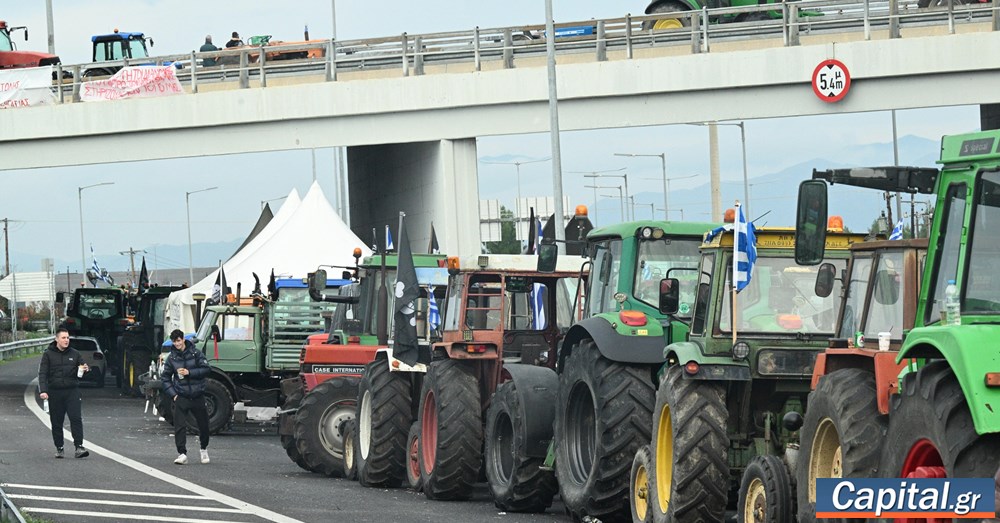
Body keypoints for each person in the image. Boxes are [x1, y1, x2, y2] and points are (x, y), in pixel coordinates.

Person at [161, 329, 211, 465]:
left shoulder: (196, 353)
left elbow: (207, 369)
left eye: (178, 341)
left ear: (183, 339)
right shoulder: (171, 358)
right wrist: (174, 395)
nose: (177, 344)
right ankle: (182, 453)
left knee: (204, 425)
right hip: (181, 396)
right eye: (174, 341)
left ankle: (203, 448)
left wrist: (189, 372)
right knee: (179, 426)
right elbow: (165, 378)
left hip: (197, 395)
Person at [38, 326, 90, 459]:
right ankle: (59, 447)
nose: (66, 340)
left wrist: (85, 369)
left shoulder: (75, 353)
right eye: (63, 338)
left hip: (72, 391)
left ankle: (79, 447)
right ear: (57, 339)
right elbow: (42, 374)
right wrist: (43, 390)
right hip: (55, 392)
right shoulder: (48, 354)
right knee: (56, 421)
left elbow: (83, 368)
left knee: (76, 418)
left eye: (68, 338)